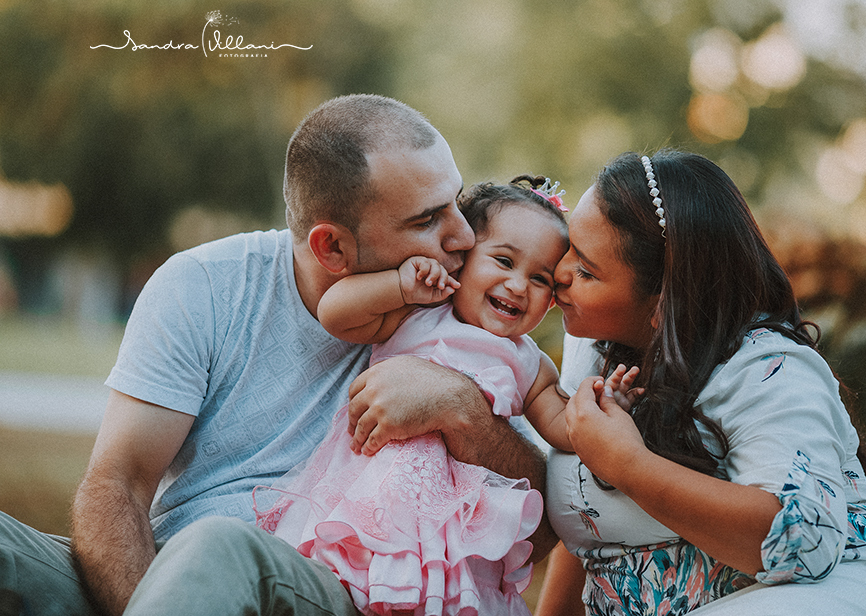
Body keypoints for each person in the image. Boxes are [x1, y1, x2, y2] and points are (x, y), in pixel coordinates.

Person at [0, 95, 554, 616]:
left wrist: (458, 407)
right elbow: (117, 484)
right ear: (331, 246)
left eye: (455, 204)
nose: (463, 237)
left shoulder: (460, 313)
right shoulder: (205, 287)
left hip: (317, 584)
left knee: (220, 546)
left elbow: (546, 525)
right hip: (172, 577)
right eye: (426, 220)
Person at [535, 150, 866, 615]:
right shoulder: (593, 349)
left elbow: (802, 543)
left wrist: (628, 465)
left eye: (587, 270)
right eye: (569, 247)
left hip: (819, 597)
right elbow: (587, 531)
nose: (560, 273)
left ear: (665, 301)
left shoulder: (770, 367)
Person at [253, 177, 640, 616]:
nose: (517, 285)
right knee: (347, 588)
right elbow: (335, 312)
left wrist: (603, 405)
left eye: (539, 278)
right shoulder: (421, 312)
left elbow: (563, 426)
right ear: (461, 259)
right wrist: (401, 284)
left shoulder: (527, 361)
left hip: (452, 525)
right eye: (503, 261)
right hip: (372, 496)